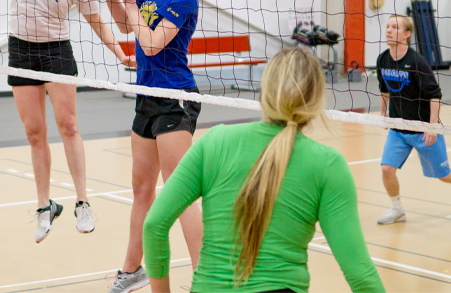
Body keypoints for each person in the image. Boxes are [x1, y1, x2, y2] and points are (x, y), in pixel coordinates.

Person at [142, 48, 385, 293]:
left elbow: (154, 225)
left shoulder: (214, 142)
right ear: (316, 101)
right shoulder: (328, 165)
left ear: (263, 93)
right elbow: (360, 276)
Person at [8, 0, 135, 243]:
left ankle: (82, 201)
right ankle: (45, 206)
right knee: (34, 133)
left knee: (69, 125)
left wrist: (119, 53)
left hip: (55, 52)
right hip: (21, 49)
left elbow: (98, 22)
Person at [89, 0, 214, 293]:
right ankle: (132, 271)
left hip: (175, 97)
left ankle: (204, 276)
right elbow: (127, 25)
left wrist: (131, 5)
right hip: (146, 97)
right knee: (142, 188)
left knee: (180, 190)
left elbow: (151, 42)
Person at [376, 14, 450, 225]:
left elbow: (434, 94)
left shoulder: (417, 61)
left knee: (444, 176)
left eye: (395, 27)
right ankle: (397, 210)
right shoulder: (383, 59)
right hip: (399, 129)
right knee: (386, 169)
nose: (389, 30)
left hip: (423, 130)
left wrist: (432, 126)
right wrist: (383, 114)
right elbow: (384, 88)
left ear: (407, 34)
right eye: (388, 26)